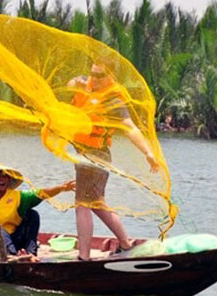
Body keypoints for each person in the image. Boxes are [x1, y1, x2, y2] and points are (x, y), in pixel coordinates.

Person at [68, 63, 160, 260]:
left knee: (82, 204)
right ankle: (126, 244)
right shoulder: (85, 86)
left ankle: (83, 257)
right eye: (92, 73)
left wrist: (148, 152)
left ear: (110, 76)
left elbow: (130, 127)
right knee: (97, 203)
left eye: (100, 75)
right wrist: (77, 83)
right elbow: (69, 86)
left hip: (96, 156)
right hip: (83, 154)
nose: (94, 78)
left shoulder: (113, 100)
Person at [0, 166, 75, 261]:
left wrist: (61, 188)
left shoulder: (18, 197)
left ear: (9, 180)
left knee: (32, 214)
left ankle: (30, 254)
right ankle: (15, 257)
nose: (2, 180)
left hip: (14, 240)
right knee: (0, 231)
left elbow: (40, 194)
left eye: (5, 177)